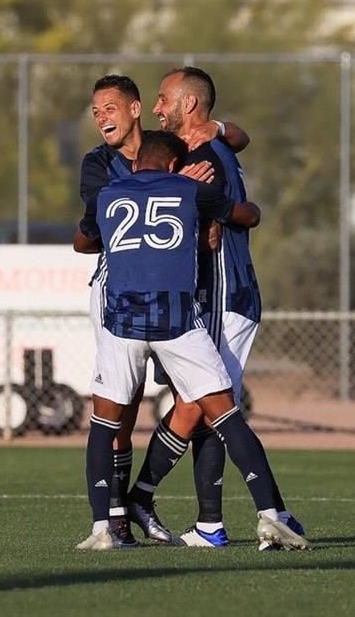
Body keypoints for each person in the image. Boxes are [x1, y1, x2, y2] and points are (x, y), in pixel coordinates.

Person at [76, 130, 285, 550]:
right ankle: (270, 516)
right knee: (225, 413)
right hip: (176, 323)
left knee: (105, 422)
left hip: (122, 324)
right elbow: (247, 216)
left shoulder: (109, 193)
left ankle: (103, 528)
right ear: (174, 165)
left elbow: (83, 242)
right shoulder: (191, 189)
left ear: (136, 164)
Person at [127, 66, 308, 551]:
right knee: (200, 404)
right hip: (225, 296)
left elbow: (232, 214)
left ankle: (263, 513)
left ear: (189, 105)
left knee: (211, 404)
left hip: (225, 296)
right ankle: (206, 519)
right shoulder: (211, 148)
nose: (157, 107)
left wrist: (199, 208)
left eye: (164, 99)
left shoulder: (206, 156)